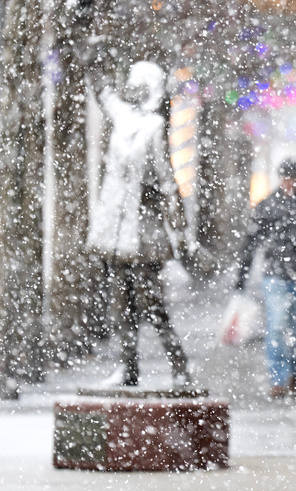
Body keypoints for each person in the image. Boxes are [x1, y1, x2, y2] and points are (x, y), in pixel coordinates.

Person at [87, 60, 191, 387]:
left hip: (145, 231)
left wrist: (179, 225)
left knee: (152, 304)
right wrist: (89, 46)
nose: (130, 88)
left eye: (137, 83)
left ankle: (180, 366)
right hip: (117, 230)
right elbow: (101, 90)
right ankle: (127, 368)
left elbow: (166, 177)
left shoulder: (154, 126)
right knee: (121, 303)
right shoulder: (121, 116)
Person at [235, 159, 296, 399]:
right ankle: (278, 379)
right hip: (276, 275)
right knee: (278, 326)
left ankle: (295, 373)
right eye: (285, 178)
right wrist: (242, 277)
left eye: (292, 178)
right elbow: (250, 243)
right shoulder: (268, 206)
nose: (289, 183)